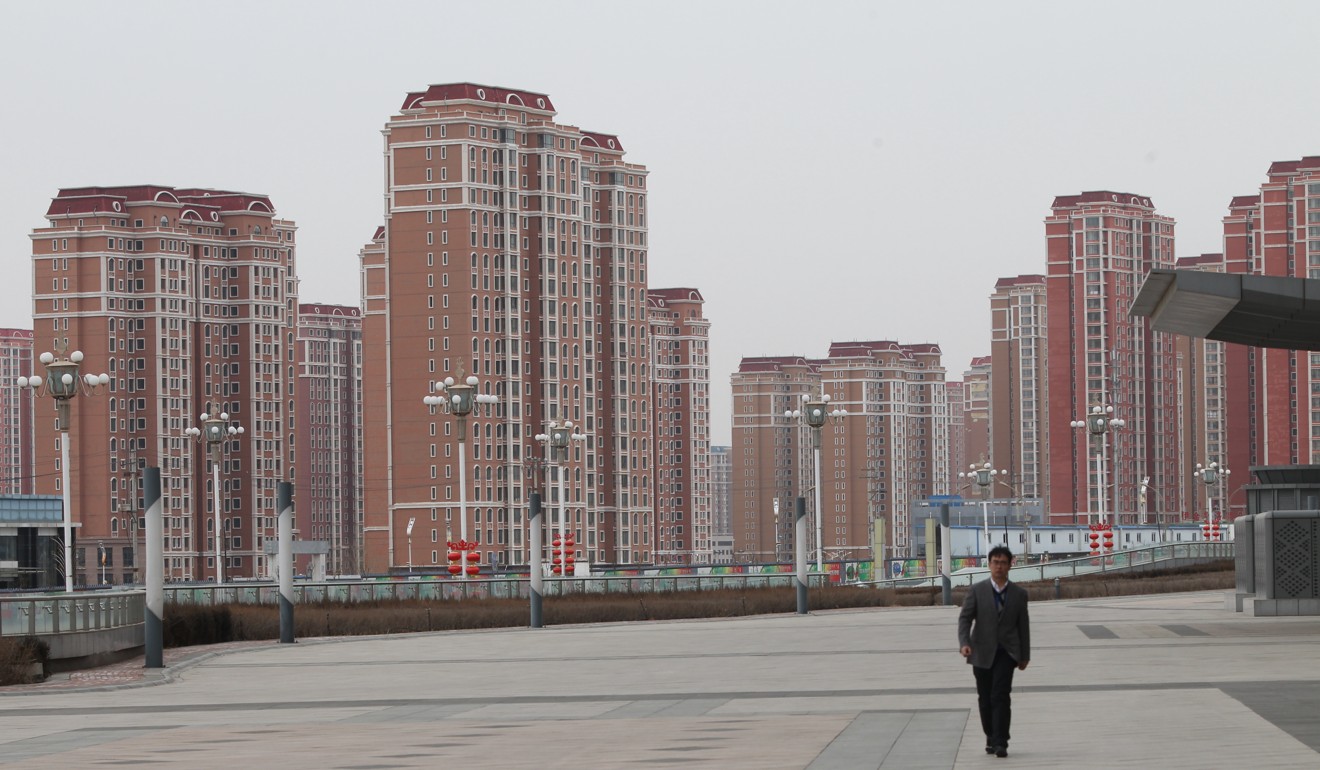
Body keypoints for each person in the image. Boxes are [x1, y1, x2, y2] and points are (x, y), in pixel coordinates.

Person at [958, 545, 1030, 758]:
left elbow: (1023, 626)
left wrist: (1024, 655)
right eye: (995, 562)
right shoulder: (977, 590)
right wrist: (964, 643)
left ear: (1010, 565)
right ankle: (990, 735)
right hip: (980, 651)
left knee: (1000, 695)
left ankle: (1001, 741)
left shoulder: (1018, 594)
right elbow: (965, 618)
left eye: (1003, 562)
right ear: (989, 564)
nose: (999, 566)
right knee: (985, 697)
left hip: (1006, 653)